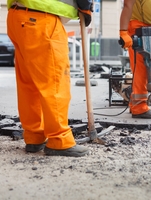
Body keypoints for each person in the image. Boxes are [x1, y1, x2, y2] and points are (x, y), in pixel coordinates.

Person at [6, 0, 92, 157]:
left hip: (17, 15)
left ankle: (34, 136)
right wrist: (85, 4)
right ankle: (59, 140)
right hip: (41, 19)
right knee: (54, 82)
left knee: (29, 83)